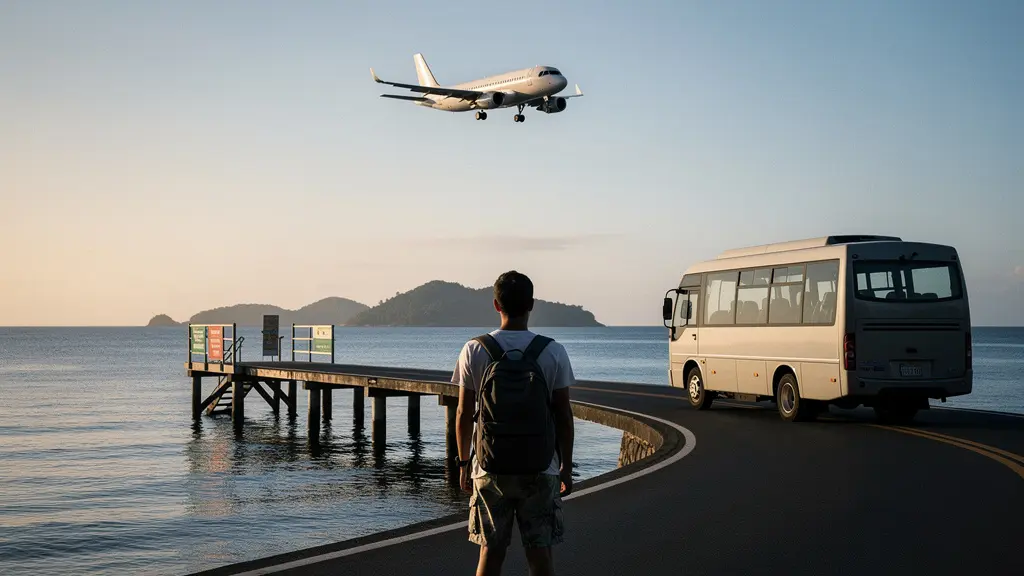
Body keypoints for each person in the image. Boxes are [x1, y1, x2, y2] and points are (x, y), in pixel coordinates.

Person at [452, 270, 576, 576]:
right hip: (541, 467)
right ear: (532, 304)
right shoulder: (553, 351)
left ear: (496, 305)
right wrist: (566, 466)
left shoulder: (474, 350)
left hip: (489, 466)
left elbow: (463, 413)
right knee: (540, 556)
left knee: (490, 554)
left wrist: (464, 463)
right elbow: (563, 414)